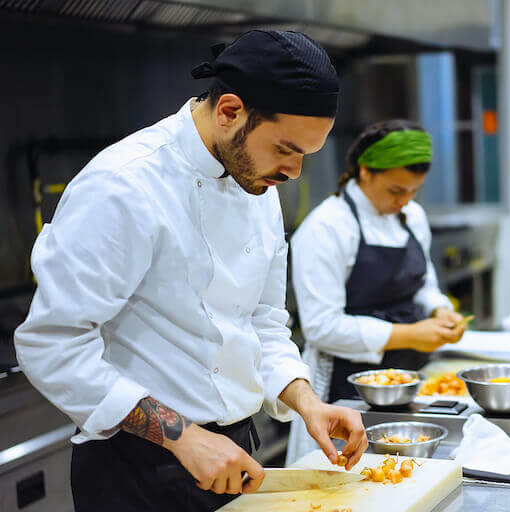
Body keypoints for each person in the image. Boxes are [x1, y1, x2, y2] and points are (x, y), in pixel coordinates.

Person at [14, 30, 367, 512]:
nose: (294, 172)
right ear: (229, 111)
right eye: (286, 149)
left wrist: (307, 401)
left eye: (305, 154)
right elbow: (51, 344)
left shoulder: (255, 179)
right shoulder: (124, 186)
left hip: (236, 456)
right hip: (138, 469)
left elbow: (260, 320)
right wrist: (185, 438)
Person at [286, 119, 466, 463]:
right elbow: (322, 327)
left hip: (409, 378)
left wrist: (439, 310)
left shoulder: (411, 216)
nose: (405, 201)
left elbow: (424, 284)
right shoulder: (327, 228)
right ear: (365, 171)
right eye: (396, 190)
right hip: (344, 389)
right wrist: (409, 334)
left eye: (414, 191)